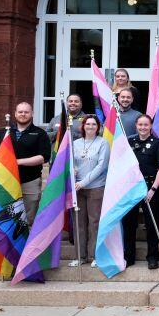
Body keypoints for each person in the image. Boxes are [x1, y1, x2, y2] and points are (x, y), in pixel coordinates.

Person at [0, 102, 51, 226]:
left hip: (30, 181)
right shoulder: (5, 132)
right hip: (6, 180)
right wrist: (4, 161)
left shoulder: (40, 133)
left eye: (26, 112)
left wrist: (16, 162)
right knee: (7, 216)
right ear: (15, 114)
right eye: (20, 112)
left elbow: (43, 157)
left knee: (30, 216)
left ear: (32, 114)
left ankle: (28, 244)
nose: (23, 114)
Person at [122, 115, 159, 269]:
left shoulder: (157, 143)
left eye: (146, 124)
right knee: (129, 224)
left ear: (150, 126)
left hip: (150, 189)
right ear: (136, 126)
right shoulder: (129, 142)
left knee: (151, 224)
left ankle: (153, 257)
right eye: (140, 124)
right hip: (132, 188)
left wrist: (154, 188)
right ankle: (129, 257)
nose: (143, 127)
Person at [69, 115, 110, 268]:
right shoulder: (75, 143)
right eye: (88, 124)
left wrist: (83, 182)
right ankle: (80, 256)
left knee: (94, 222)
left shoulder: (103, 143)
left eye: (94, 124)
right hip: (77, 189)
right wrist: (72, 171)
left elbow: (101, 167)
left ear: (98, 127)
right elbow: (71, 162)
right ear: (83, 126)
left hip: (95, 187)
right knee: (79, 223)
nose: (91, 127)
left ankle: (95, 256)